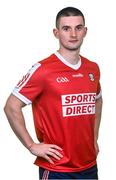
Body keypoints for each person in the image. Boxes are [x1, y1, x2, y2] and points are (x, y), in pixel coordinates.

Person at [4, 7, 102, 179]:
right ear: (56, 33)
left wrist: (94, 138)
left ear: (85, 31)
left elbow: (97, 101)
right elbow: (11, 106)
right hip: (58, 169)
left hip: (90, 165)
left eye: (78, 28)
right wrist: (31, 145)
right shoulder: (43, 70)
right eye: (66, 28)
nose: (73, 34)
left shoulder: (92, 68)